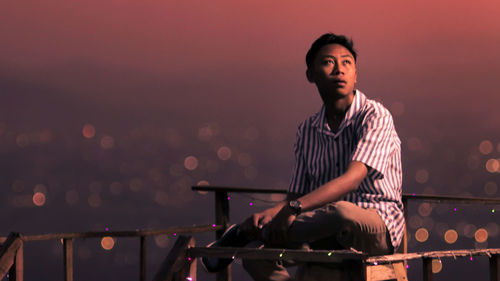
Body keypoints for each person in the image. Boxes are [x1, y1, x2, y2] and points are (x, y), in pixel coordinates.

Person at [202, 33, 404, 281]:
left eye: (347, 62)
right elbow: (297, 198)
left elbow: (352, 180)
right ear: (311, 75)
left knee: (342, 213)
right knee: (255, 258)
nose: (339, 70)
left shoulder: (374, 115)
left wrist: (290, 210)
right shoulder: (307, 130)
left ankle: (244, 235)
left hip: (374, 226)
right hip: (322, 230)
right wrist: (269, 215)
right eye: (329, 62)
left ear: (356, 73)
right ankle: (252, 231)